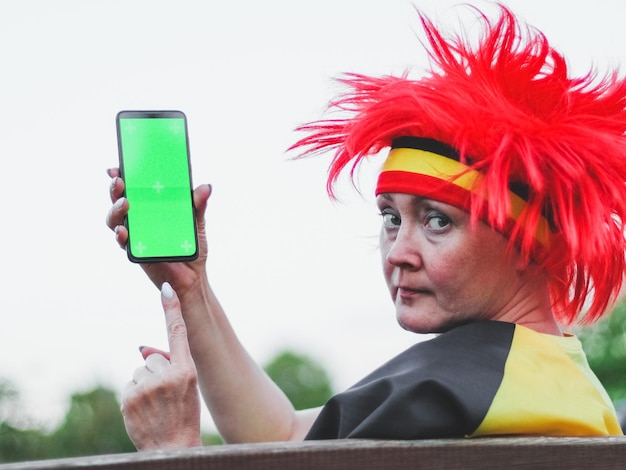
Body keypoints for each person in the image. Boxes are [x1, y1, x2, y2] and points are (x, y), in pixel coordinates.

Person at [106, 3, 626, 449]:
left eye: (438, 221)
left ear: (525, 243)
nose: (399, 251)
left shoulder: (446, 387)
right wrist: (192, 287)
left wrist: (172, 449)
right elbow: (286, 435)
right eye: (391, 218)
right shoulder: (549, 373)